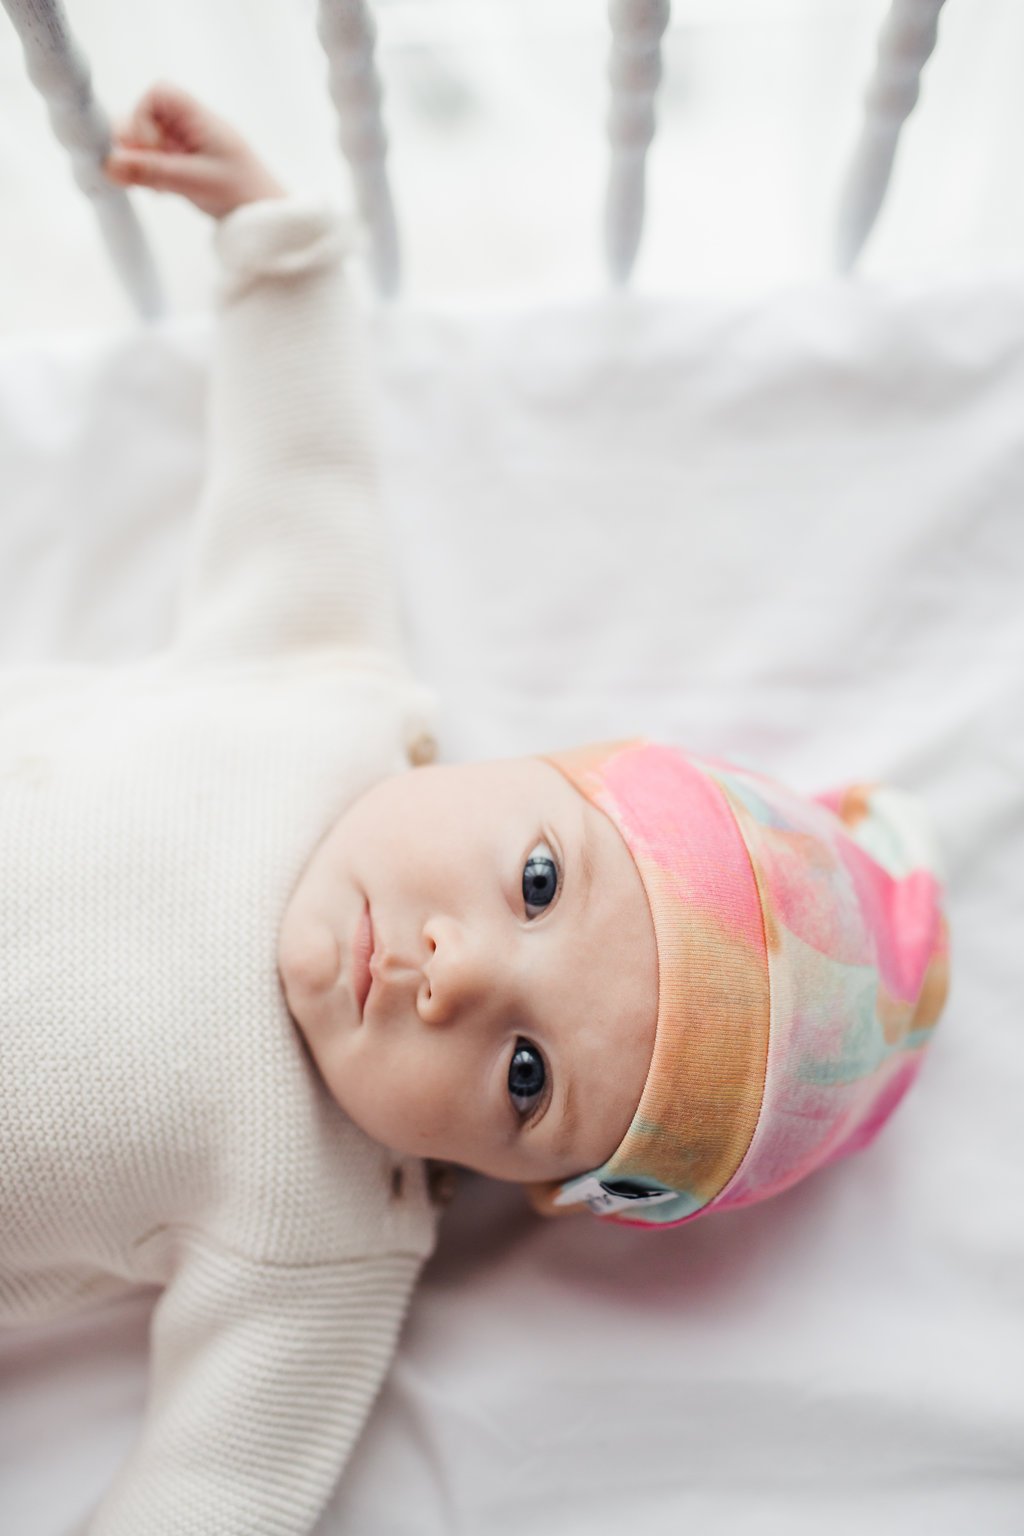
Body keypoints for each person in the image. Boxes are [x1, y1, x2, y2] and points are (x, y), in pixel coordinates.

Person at [0, 81, 949, 1536]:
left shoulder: (321, 1237)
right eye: (541, 885)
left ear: (518, 1183)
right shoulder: (324, 692)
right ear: (532, 767)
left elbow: (223, 1488)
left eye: (523, 1078)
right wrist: (272, 238)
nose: (457, 976)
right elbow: (297, 469)